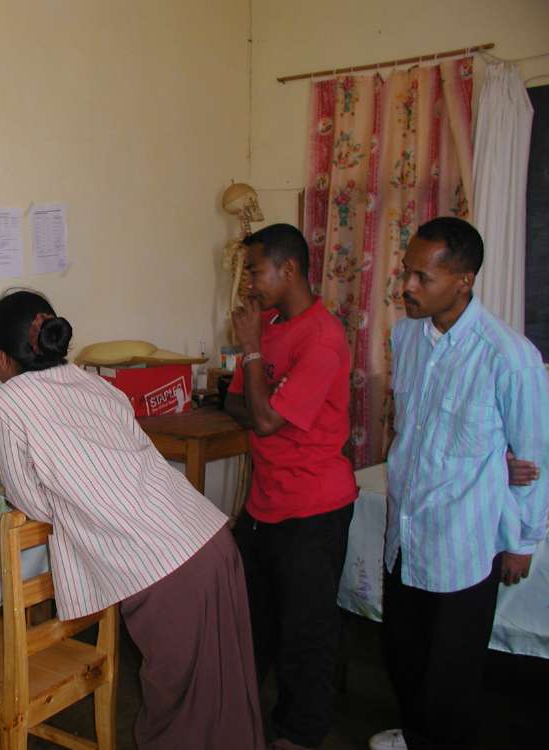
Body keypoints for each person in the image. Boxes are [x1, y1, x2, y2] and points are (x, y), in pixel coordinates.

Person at [0, 289, 265, 749]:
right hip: (210, 540)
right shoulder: (94, 385)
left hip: (167, 566)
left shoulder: (6, 404)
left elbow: (33, 503)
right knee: (224, 690)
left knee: (179, 711)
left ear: (0, 357)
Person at [377, 216, 548, 750]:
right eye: (406, 271)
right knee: (404, 657)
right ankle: (416, 737)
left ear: (463, 280)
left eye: (422, 277)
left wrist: (522, 541)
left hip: (462, 545)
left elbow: (534, 457)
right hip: (405, 534)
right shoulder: (406, 335)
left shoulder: (509, 357)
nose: (407, 286)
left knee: (448, 680)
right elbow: (413, 430)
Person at [224, 223, 358, 750]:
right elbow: (237, 403)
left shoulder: (322, 338)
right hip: (264, 504)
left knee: (306, 632)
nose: (248, 284)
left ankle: (301, 735)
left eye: (255, 271)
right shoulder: (269, 327)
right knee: (251, 621)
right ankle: (241, 718)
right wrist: (265, 397)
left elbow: (261, 419)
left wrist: (254, 358)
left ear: (289, 269)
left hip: (313, 507)